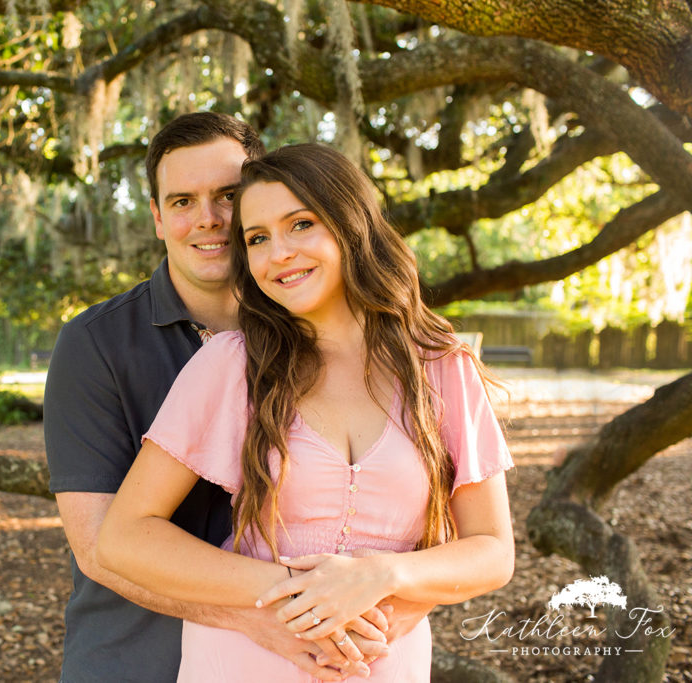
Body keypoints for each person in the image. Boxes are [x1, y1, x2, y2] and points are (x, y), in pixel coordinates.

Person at [97, 143, 516, 681]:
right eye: (257, 239)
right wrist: (290, 591)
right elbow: (125, 536)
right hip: (246, 658)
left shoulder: (441, 368)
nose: (279, 253)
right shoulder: (232, 366)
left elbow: (493, 552)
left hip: (384, 665)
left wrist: (381, 575)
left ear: (351, 224)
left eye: (300, 224)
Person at [45, 116, 409, 682]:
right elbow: (99, 547)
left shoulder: (332, 343)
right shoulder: (95, 343)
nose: (209, 219)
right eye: (183, 201)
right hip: (134, 659)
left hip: (292, 662)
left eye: (228, 196)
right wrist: (252, 617)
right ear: (158, 218)